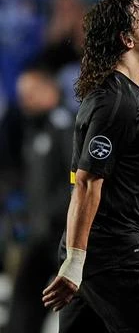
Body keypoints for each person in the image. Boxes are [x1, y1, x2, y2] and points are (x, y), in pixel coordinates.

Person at [41, 0, 139, 332]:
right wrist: (76, 261)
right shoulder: (116, 101)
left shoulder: (126, 96)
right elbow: (86, 182)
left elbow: (129, 192)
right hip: (117, 256)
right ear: (127, 39)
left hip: (94, 254)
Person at [6, 66, 73, 333]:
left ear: (50, 91)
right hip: (41, 232)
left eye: (31, 93)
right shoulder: (34, 128)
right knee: (23, 302)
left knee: (79, 302)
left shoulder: (64, 126)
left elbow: (76, 181)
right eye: (22, 94)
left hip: (63, 235)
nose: (25, 100)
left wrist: (52, 216)